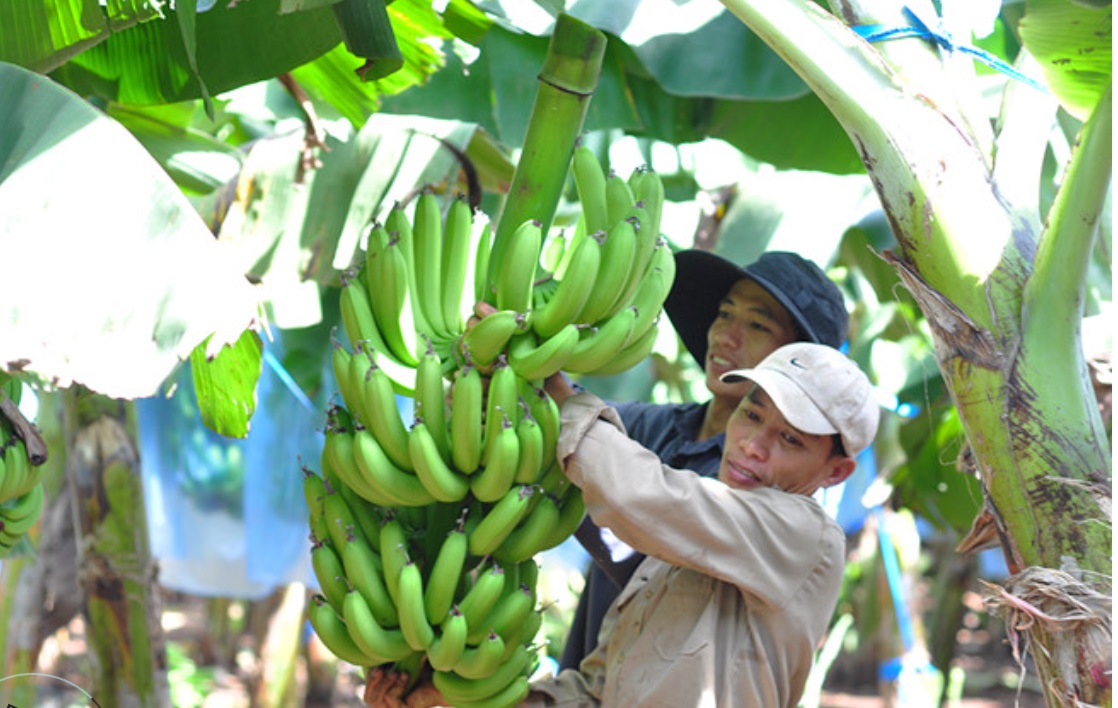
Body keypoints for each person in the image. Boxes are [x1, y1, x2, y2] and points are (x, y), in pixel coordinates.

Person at [365, 341, 879, 707]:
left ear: (835, 472)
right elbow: (594, 694)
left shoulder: (807, 538)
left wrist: (559, 400)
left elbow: (644, 494)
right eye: (751, 413)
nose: (752, 444)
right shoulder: (673, 554)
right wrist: (463, 695)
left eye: (791, 440)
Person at [561, 248, 849, 671]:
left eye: (756, 325)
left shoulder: (768, 493)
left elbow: (647, 504)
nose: (725, 336)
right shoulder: (655, 426)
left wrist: (560, 402)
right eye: (724, 313)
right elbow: (572, 420)